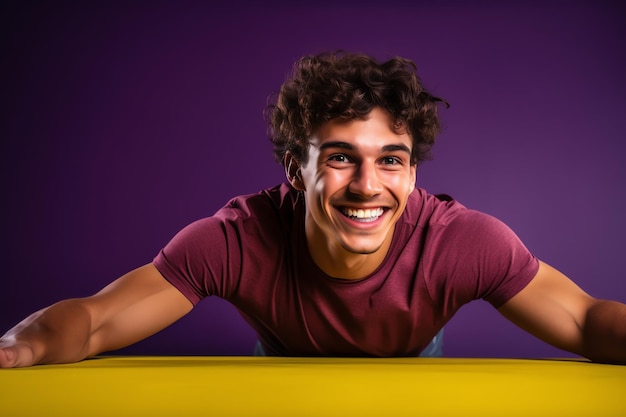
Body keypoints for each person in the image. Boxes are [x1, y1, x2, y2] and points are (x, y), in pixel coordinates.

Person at [1, 51, 625, 368]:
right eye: (340, 158)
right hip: (280, 382)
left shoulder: (465, 242)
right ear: (294, 170)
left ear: (412, 172)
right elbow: (95, 321)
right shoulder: (233, 240)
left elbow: (587, 320)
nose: (367, 185)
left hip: (414, 382)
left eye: (391, 160)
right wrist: (18, 349)